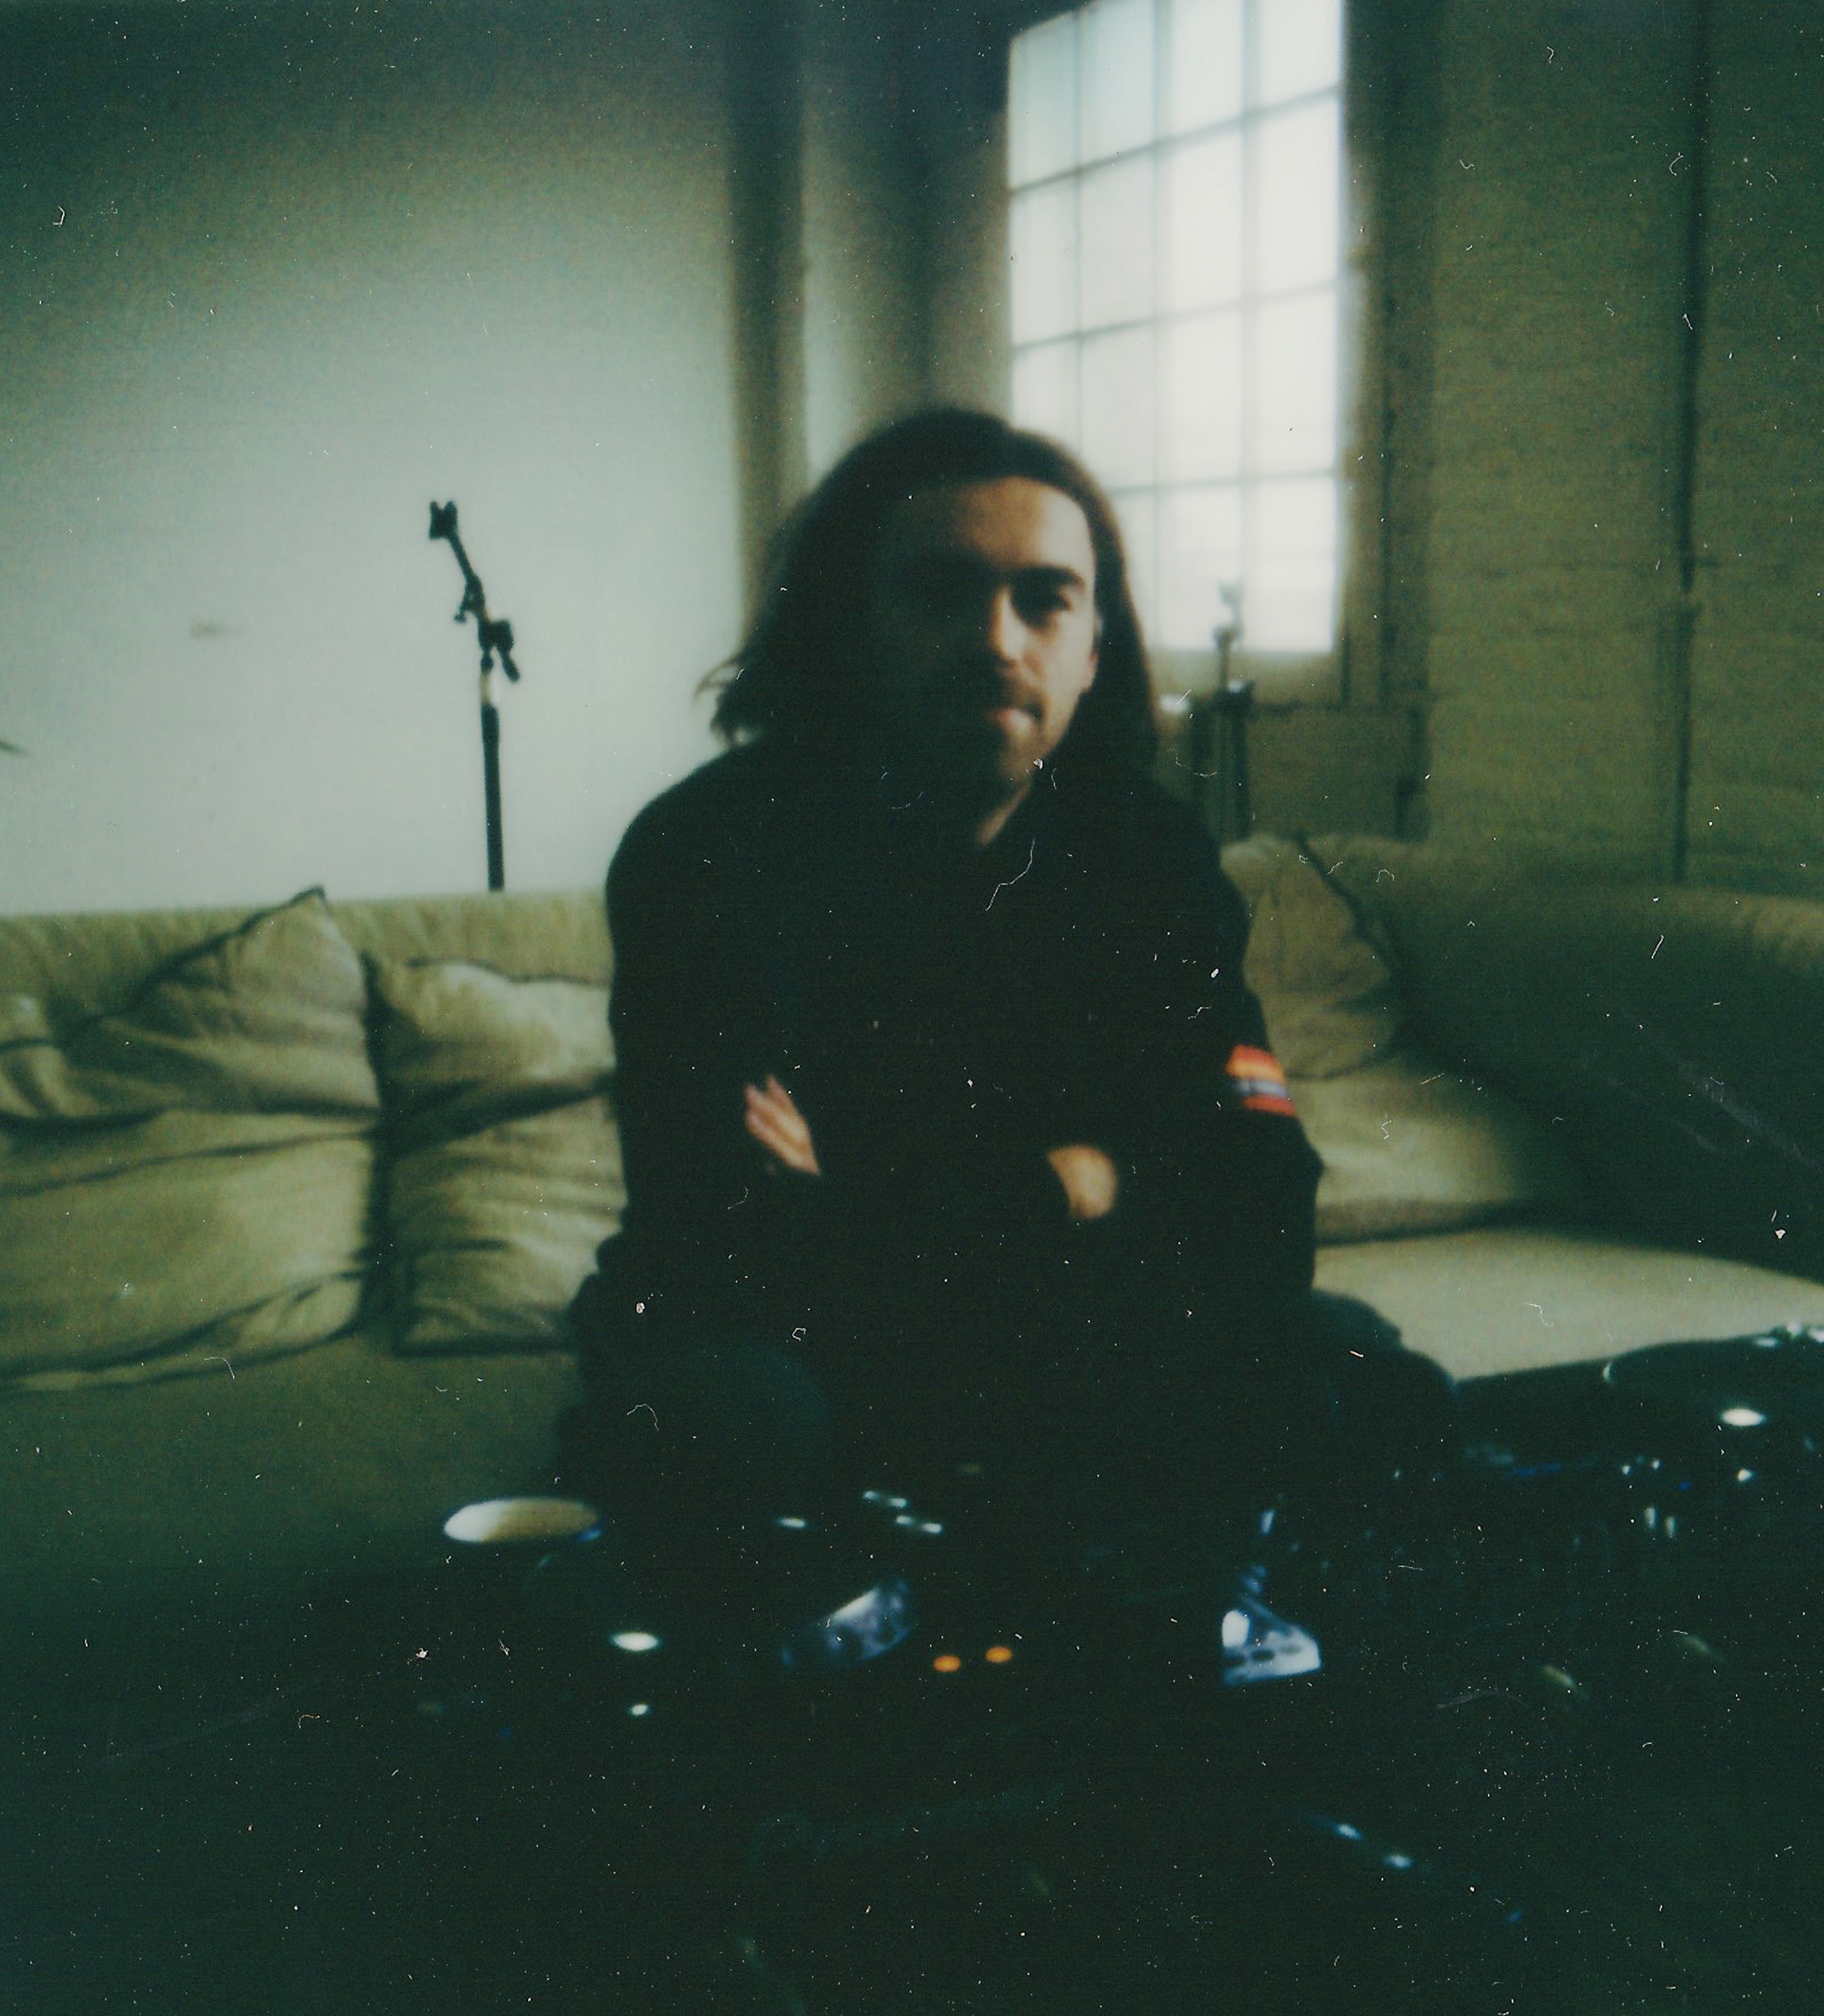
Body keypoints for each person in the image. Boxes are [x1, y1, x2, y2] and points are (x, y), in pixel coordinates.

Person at [563, 408, 1448, 1681]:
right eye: (940, 592)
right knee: (730, 1426)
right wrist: (1083, 1178)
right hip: (787, 1345)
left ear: (1094, 648)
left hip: (1048, 1333)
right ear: (851, 622)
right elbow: (732, 1227)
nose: (996, 640)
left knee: (1358, 1373)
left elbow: (1261, 1203)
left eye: (1045, 599)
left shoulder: (1150, 861)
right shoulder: (705, 855)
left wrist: (871, 1179)